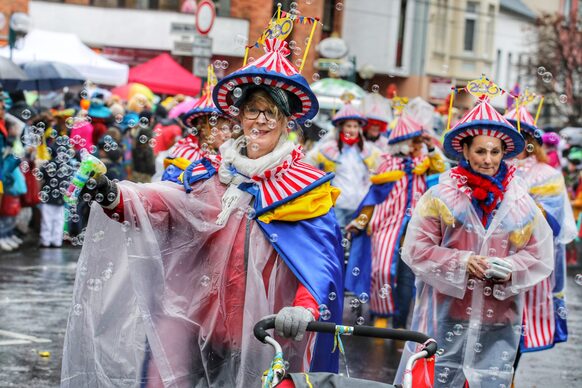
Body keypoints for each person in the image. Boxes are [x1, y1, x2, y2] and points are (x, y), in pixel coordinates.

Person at [61, 37, 344, 387]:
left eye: (272, 111)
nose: (261, 119)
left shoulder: (306, 187)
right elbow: (165, 205)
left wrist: (303, 309)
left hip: (263, 330)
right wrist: (112, 194)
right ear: (239, 117)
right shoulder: (213, 171)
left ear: (287, 121)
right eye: (253, 109)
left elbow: (318, 264)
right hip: (195, 320)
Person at [395, 88, 554, 388]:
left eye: (495, 152)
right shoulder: (440, 196)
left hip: (498, 320)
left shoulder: (519, 201)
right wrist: (463, 262)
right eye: (480, 151)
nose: (488, 160)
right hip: (445, 315)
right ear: (465, 151)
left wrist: (508, 267)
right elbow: (416, 249)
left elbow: (538, 254)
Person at [345, 106, 445, 329]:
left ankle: (400, 322)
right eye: (415, 141)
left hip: (416, 226)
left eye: (419, 141)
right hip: (386, 224)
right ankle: (381, 313)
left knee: (408, 275)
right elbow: (373, 195)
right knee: (381, 270)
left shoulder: (425, 163)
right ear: (403, 142)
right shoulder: (387, 164)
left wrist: (430, 146)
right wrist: (363, 219)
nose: (418, 145)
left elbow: (441, 167)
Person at [505, 103, 577, 361]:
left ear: (530, 142)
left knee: (519, 323)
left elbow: (552, 221)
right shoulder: (492, 167)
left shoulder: (547, 174)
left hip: (529, 259)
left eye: (518, 138)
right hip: (493, 259)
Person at [305, 102, 379, 228]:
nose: (352, 130)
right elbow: (308, 163)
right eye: (349, 126)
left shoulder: (368, 150)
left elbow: (377, 170)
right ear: (341, 128)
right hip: (337, 204)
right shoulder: (327, 148)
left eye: (355, 126)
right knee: (338, 240)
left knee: (353, 243)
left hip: (359, 204)